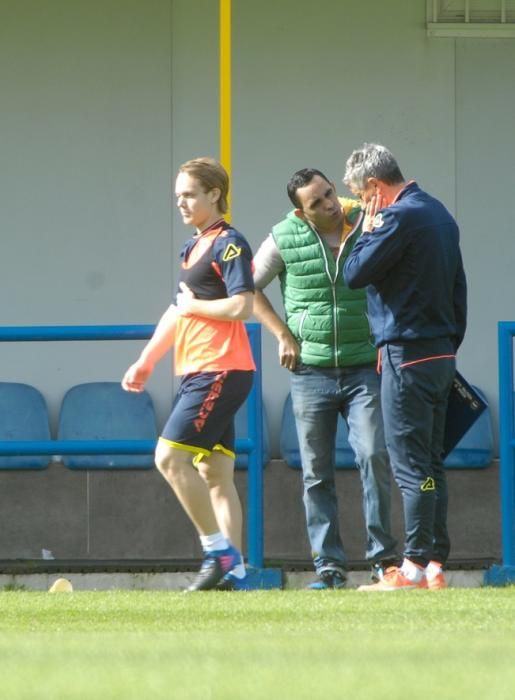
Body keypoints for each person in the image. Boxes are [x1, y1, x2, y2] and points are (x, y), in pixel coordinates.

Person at [253, 168, 399, 589]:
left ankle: (383, 561)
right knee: (316, 473)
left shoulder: (366, 220)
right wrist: (282, 333)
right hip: (310, 372)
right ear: (301, 213)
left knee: (373, 455)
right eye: (316, 202)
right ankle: (329, 567)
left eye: (329, 194)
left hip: (363, 367)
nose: (329, 204)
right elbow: (245, 287)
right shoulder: (285, 235)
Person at [122, 157, 255, 591]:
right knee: (214, 473)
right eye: (177, 195)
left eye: (189, 194)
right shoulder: (191, 247)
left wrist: (194, 306)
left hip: (220, 369)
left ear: (214, 194)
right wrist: (147, 360)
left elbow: (242, 306)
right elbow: (178, 311)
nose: (180, 202)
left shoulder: (229, 244)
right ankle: (233, 573)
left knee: (168, 457)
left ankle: (217, 552)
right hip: (199, 369)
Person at [343, 143, 467, 591]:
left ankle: (412, 566)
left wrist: (366, 226)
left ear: (375, 187)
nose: (359, 205)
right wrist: (448, 345)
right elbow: (458, 290)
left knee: (412, 466)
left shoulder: (394, 217)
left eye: (360, 196)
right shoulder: (438, 213)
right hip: (440, 354)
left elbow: (354, 273)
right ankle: (434, 562)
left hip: (406, 355)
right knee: (431, 465)